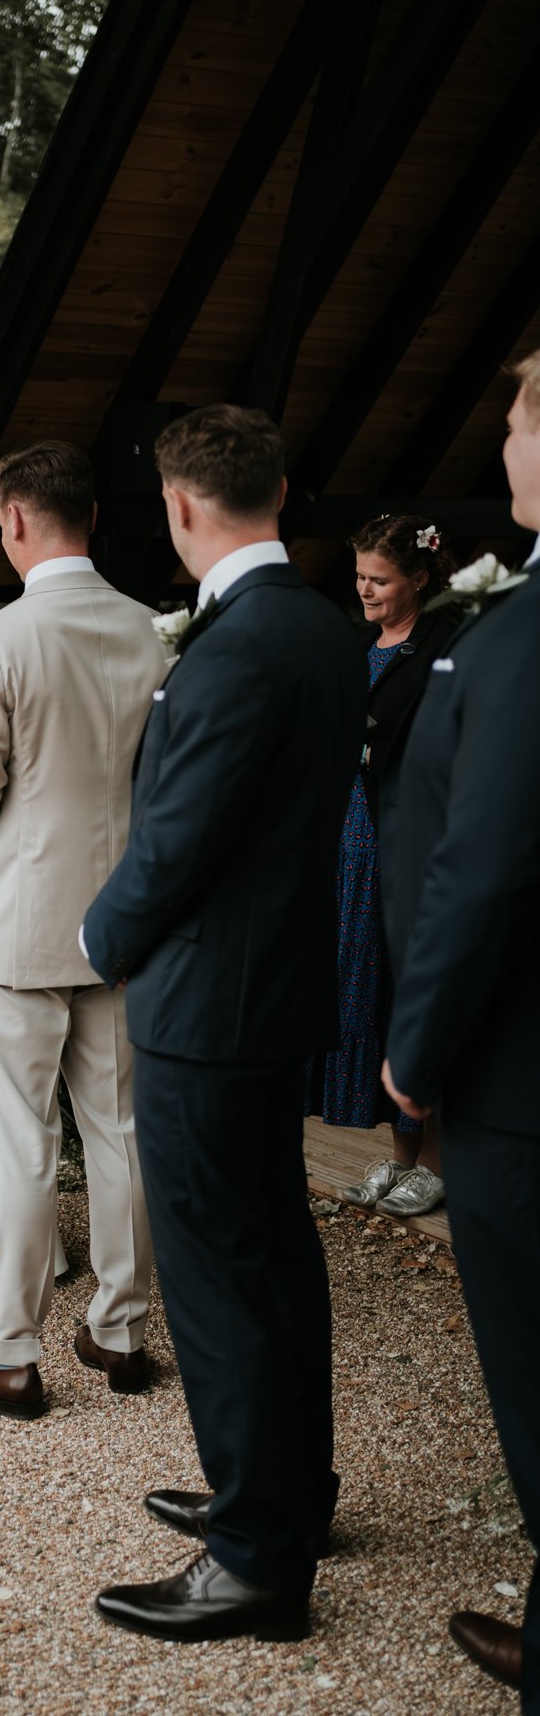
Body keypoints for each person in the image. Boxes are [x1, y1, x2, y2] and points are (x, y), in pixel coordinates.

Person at [82, 404, 365, 1644]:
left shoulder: (234, 644)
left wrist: (100, 936)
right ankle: (282, 1494)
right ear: (281, 490)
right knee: (272, 1257)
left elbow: (176, 840)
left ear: (181, 507)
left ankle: (255, 1562)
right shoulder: (315, 620)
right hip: (277, 986)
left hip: (207, 1003)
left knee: (213, 1277)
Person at [0, 440, 163, 1422]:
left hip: (20, 926)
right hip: (123, 924)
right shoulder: (156, 631)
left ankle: (10, 1353)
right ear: (93, 518)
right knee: (122, 1131)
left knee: (20, 1140)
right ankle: (119, 1331)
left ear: (13, 521)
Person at [382, 355, 540, 1707]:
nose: (501, 445)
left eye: (516, 422)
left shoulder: (523, 642)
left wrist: (410, 1053)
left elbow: (478, 871)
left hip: (523, 1077)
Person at [309, 513, 458, 1218]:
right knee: (357, 985)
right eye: (360, 576)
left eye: (381, 579)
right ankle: (397, 1153)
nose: (364, 590)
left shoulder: (440, 651)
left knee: (404, 986)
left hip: (400, 840)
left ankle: (431, 1159)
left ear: (420, 580)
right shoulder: (354, 644)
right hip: (342, 836)